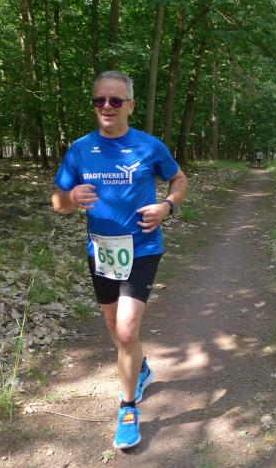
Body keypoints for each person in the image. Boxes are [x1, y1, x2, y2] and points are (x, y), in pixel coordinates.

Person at [51, 71, 187, 449]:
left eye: (115, 100)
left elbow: (178, 179)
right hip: (102, 251)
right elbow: (58, 202)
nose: (107, 107)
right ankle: (139, 367)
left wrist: (167, 206)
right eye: (100, 100)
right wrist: (70, 198)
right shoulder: (80, 149)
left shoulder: (149, 146)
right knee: (113, 325)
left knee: (126, 331)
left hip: (142, 248)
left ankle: (127, 409)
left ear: (130, 105)